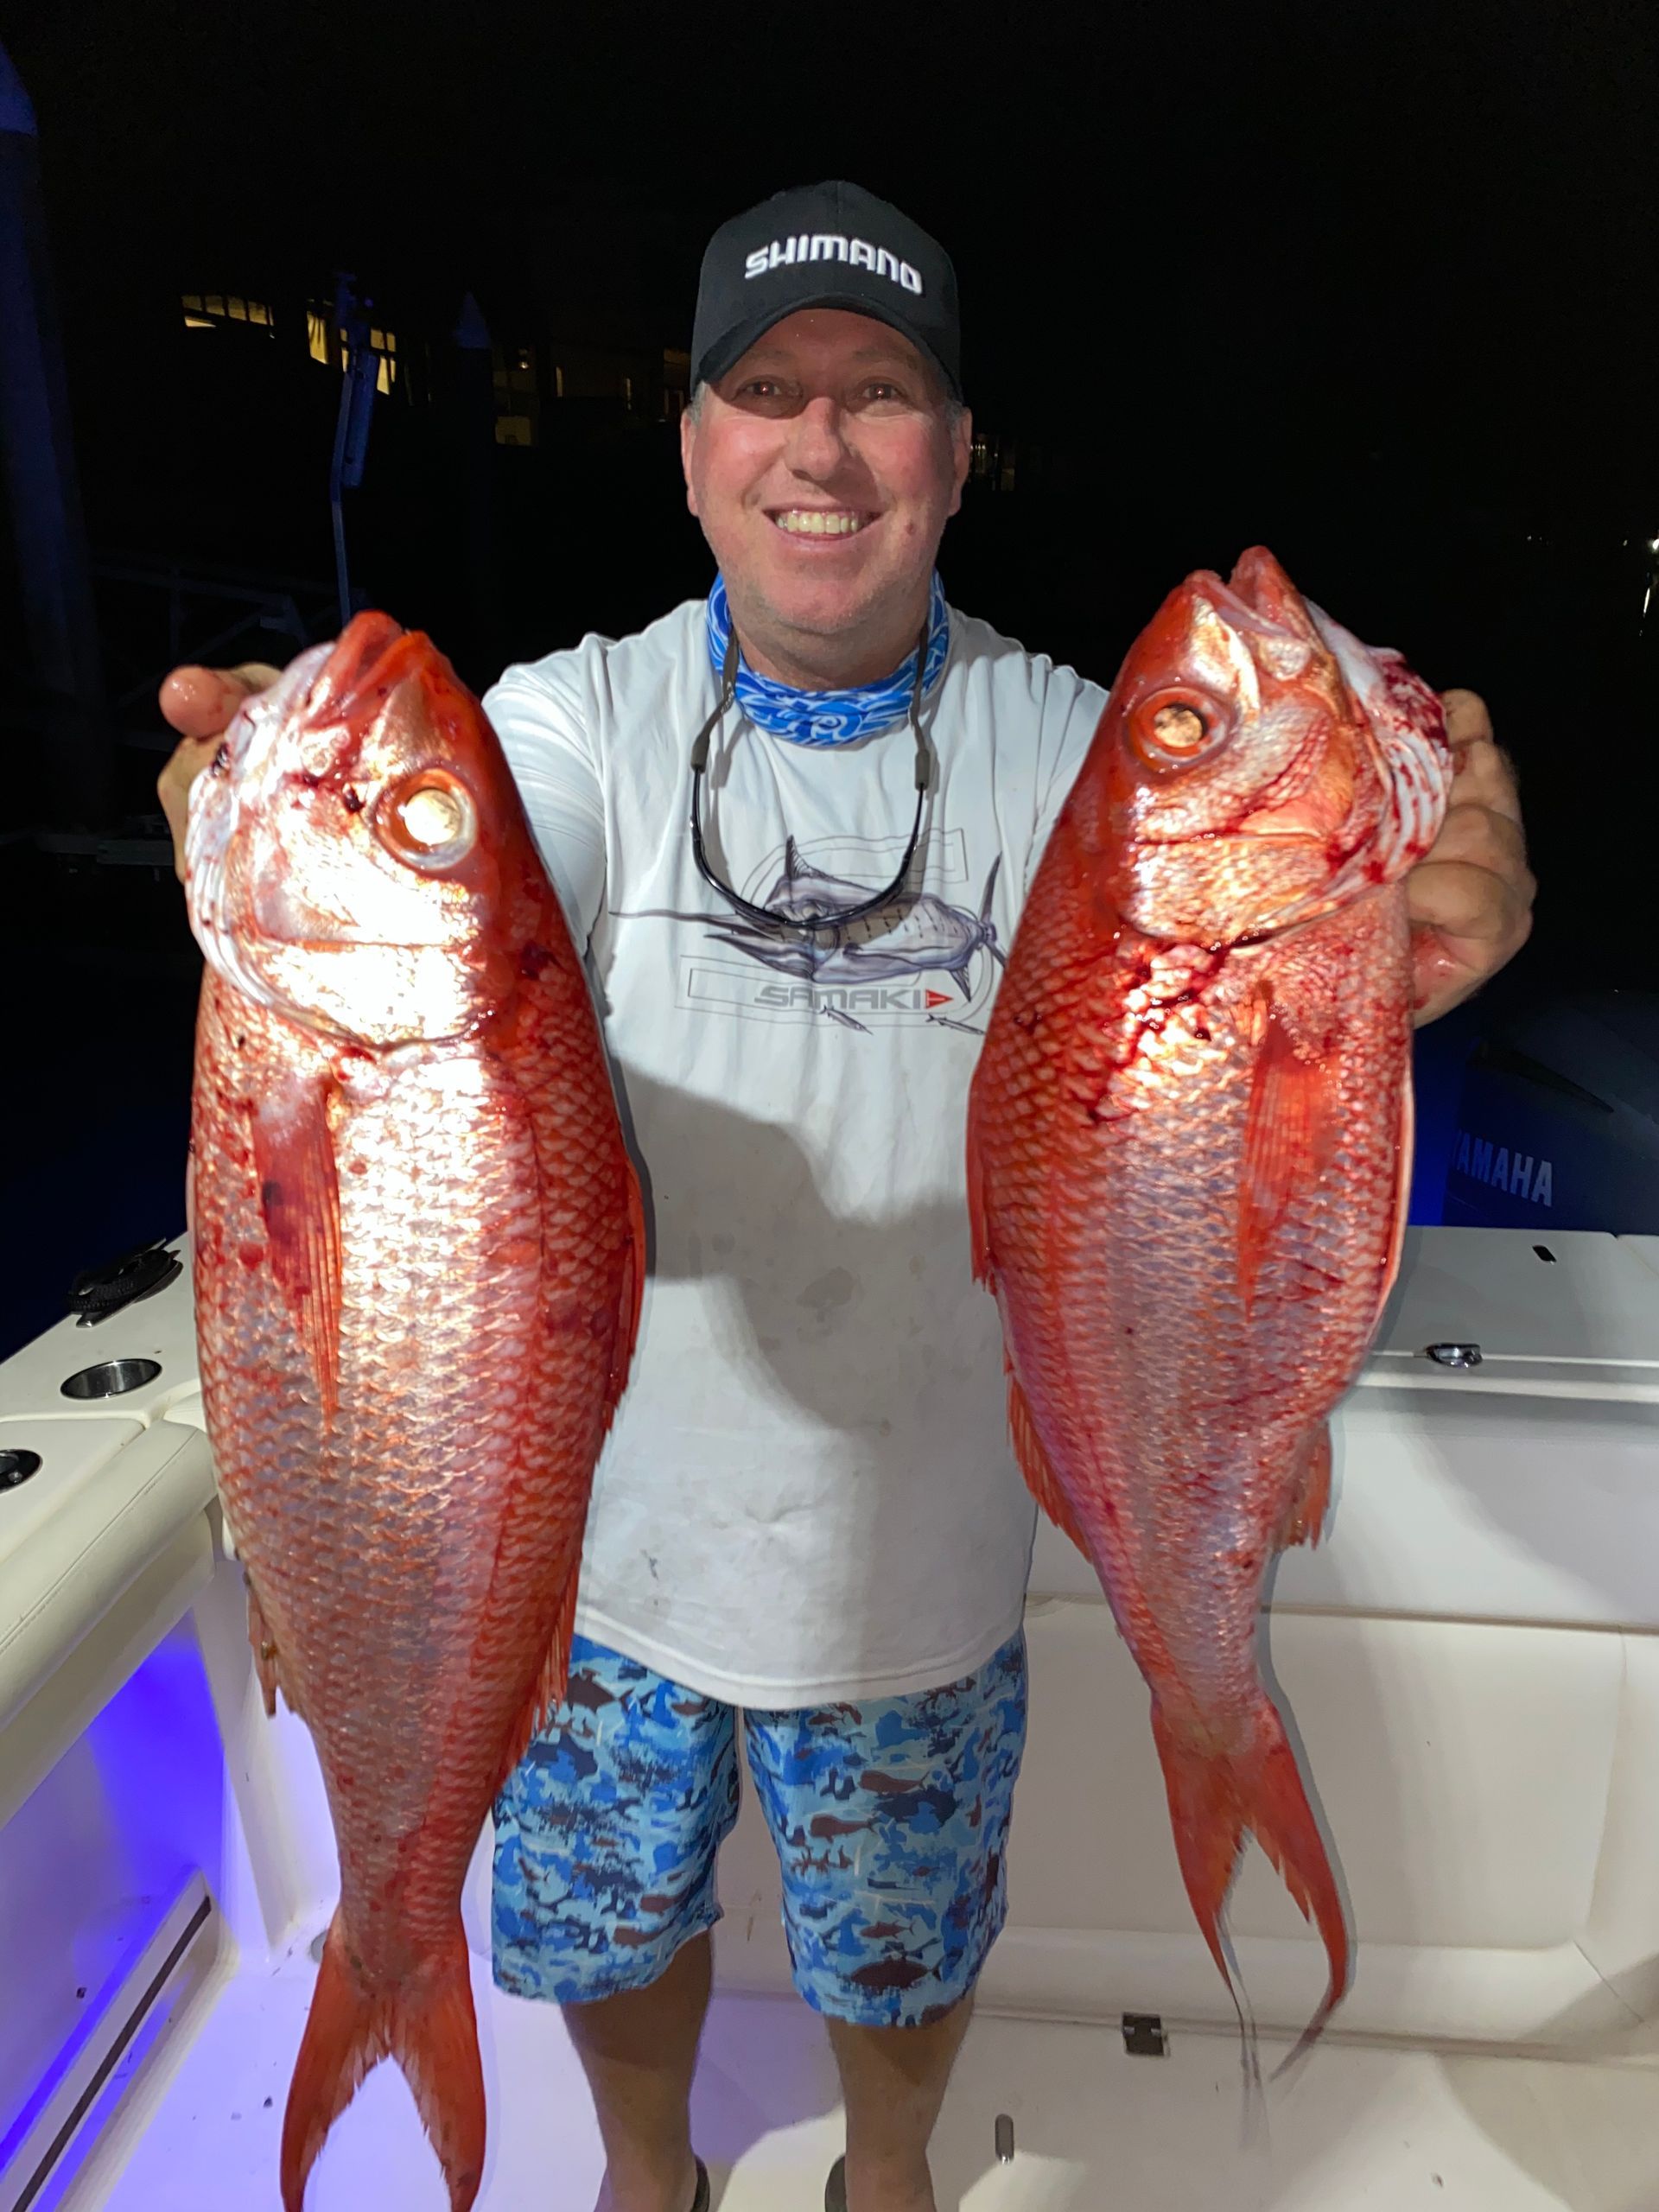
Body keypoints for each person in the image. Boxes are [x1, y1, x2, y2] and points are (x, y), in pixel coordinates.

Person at [156, 181, 1535, 2212]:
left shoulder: (1071, 748)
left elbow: (1248, 989)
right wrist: (308, 830)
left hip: (924, 1558)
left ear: (958, 457)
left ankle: (888, 2168)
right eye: (767, 390)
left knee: (907, 1938)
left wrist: (1408, 886)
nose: (822, 443)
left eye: (881, 393)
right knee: (609, 1928)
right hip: (585, 1550)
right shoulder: (570, 722)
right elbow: (473, 894)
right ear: (694, 450)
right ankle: (650, 2170)